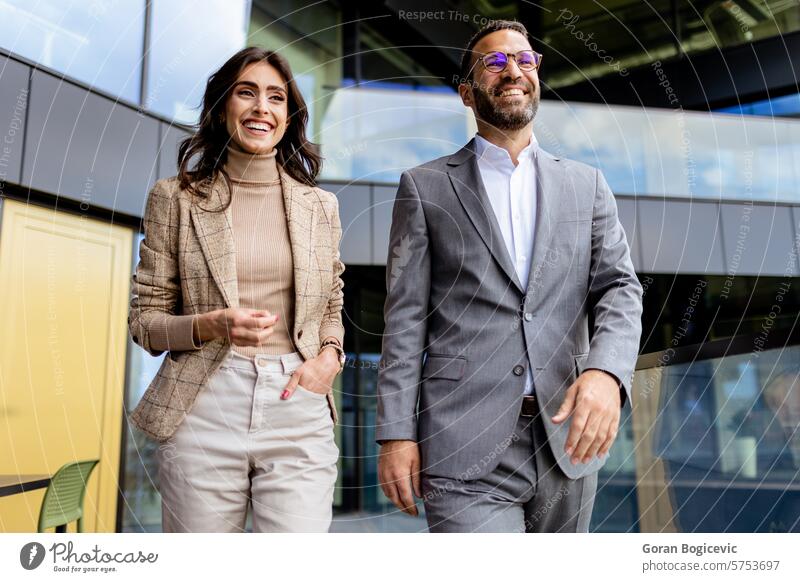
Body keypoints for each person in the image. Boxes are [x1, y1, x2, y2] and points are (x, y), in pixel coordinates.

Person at [376, 20, 643, 533]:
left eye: (525, 60)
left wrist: (607, 374)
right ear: (467, 92)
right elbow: (405, 318)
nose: (513, 70)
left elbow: (619, 288)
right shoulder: (426, 187)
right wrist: (396, 433)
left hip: (567, 436)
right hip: (462, 442)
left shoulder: (587, 186)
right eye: (494, 62)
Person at [128, 47, 346, 533]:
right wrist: (211, 325)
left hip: (297, 400)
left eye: (276, 98)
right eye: (246, 93)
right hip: (206, 402)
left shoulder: (320, 206)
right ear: (222, 105)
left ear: (288, 117)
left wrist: (330, 356)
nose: (261, 108)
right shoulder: (177, 197)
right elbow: (145, 322)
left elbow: (331, 300)